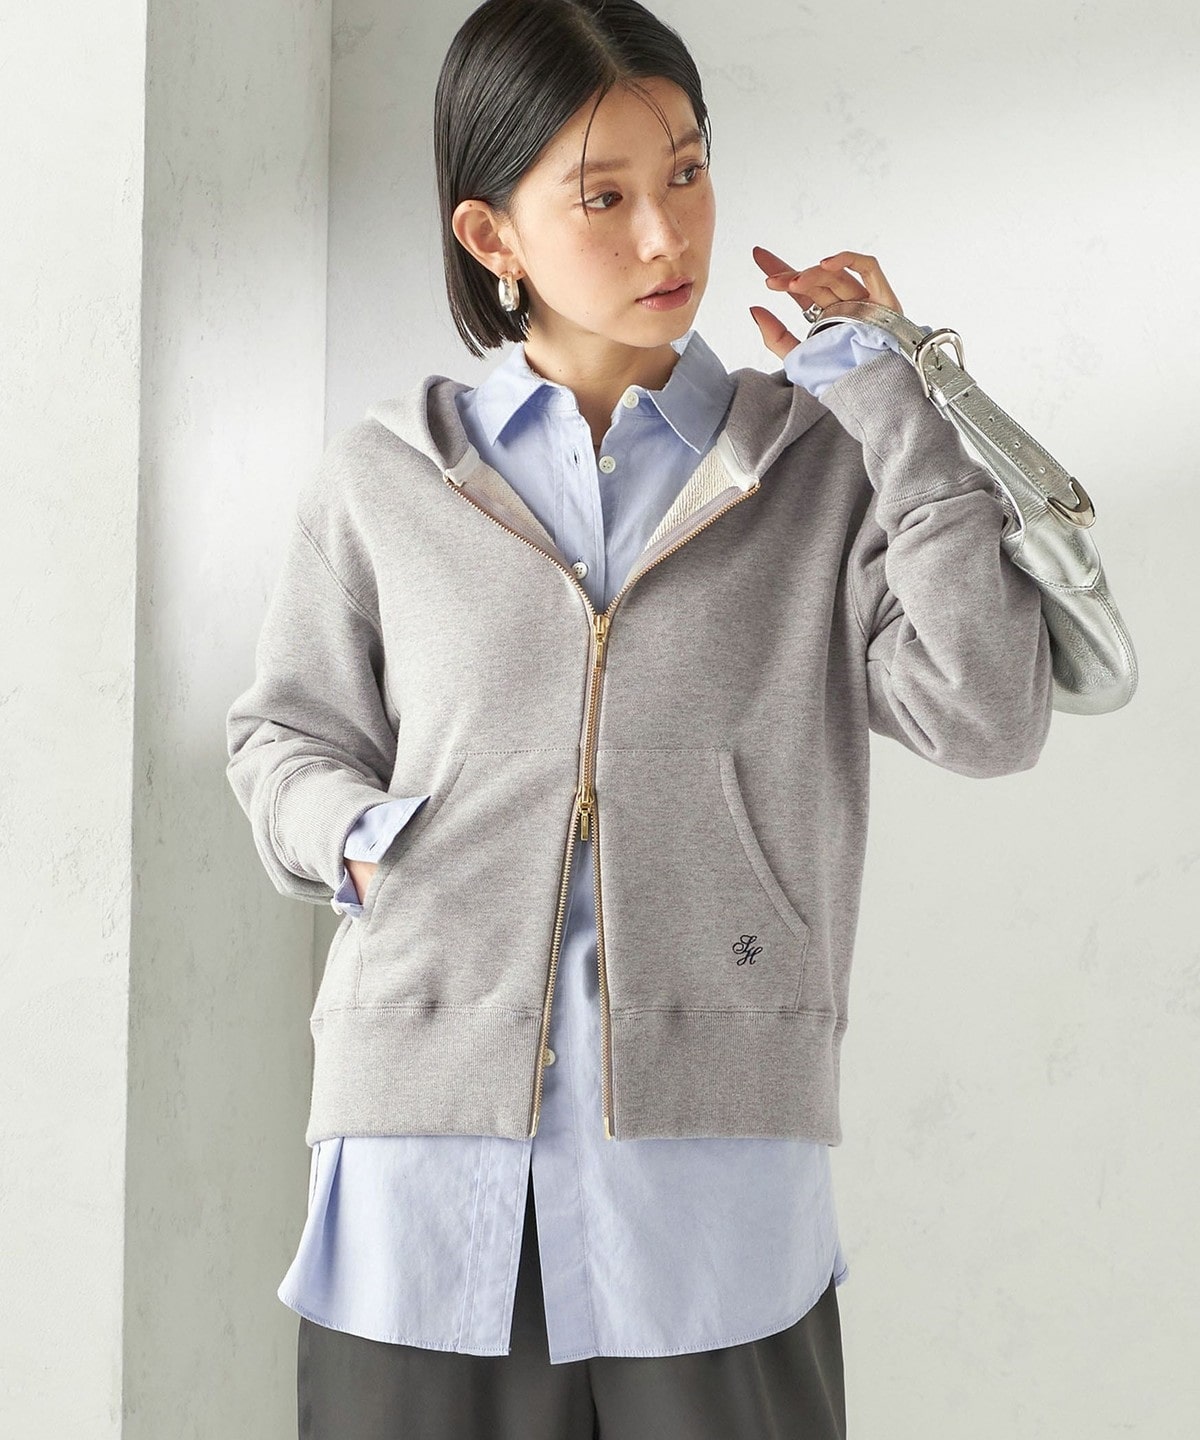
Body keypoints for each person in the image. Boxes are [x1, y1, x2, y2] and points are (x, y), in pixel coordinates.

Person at [223, 2, 1054, 1436]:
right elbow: (282, 735)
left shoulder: (817, 468)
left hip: (714, 1181)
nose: (670, 235)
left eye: (687, 172)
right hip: (423, 1163)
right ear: (492, 235)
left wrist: (898, 403)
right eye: (603, 198)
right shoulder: (385, 478)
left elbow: (990, 715)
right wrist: (358, 836)